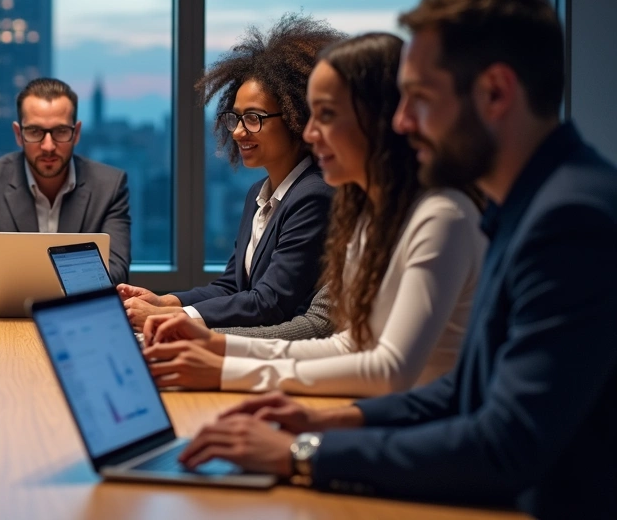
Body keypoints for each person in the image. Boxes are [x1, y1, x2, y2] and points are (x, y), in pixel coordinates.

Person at [173, 0, 617, 518]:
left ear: (496, 94)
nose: (402, 123)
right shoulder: (527, 204)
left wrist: (302, 452)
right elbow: (468, 387)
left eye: (421, 100)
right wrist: (338, 421)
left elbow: (507, 444)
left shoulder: (569, 219)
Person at [143, 32, 485, 397]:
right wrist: (218, 347)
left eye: (326, 115)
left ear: (382, 118)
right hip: (388, 418)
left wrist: (224, 368)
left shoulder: (441, 217)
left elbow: (389, 370)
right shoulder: (372, 218)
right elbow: (347, 345)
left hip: (425, 433)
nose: (308, 131)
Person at [118, 14, 339, 332]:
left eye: (253, 118)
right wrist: (167, 302)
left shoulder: (314, 194)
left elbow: (270, 302)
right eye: (235, 118)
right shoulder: (258, 195)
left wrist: (175, 319)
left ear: (297, 117)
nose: (238, 132)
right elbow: (232, 287)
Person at [0, 77, 131, 304]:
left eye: (60, 131)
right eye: (35, 131)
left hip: (78, 318)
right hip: (4, 322)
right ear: (18, 134)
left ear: (76, 133)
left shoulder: (109, 185)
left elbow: (116, 269)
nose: (48, 146)